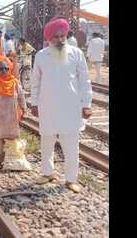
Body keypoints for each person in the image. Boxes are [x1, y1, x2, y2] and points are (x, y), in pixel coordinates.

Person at [30, 17, 92, 193]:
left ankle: (71, 179)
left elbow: (85, 81)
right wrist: (34, 102)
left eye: (62, 36)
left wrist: (86, 104)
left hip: (70, 107)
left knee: (71, 145)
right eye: (55, 37)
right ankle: (47, 172)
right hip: (47, 106)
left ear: (66, 36)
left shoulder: (76, 53)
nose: (59, 40)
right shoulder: (41, 56)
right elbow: (35, 81)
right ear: (49, 39)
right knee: (47, 142)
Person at [0, 61, 27, 170]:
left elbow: (21, 98)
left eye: (6, 69)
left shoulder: (15, 83)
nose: (4, 71)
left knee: (12, 137)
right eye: (1, 69)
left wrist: (24, 110)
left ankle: (12, 160)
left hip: (12, 116)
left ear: (9, 70)